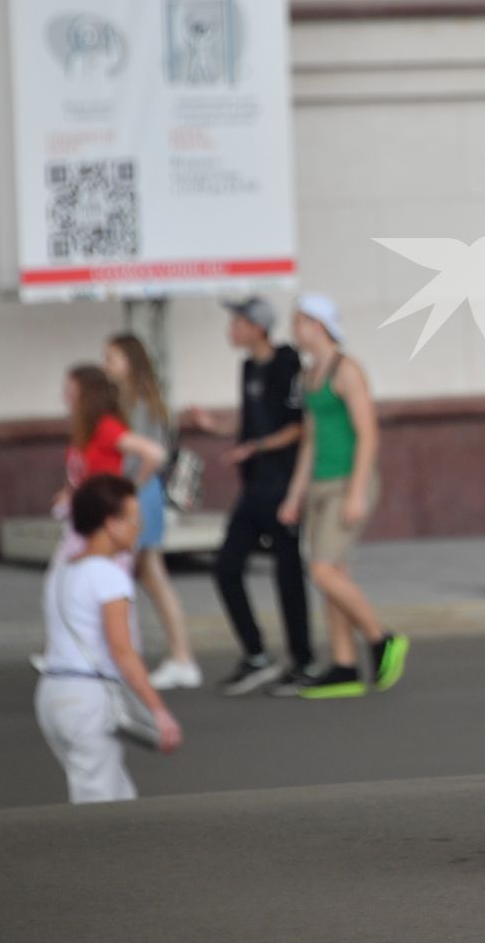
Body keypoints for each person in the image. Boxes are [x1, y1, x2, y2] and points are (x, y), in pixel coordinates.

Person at [180, 299, 315, 697]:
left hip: (282, 484)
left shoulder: (286, 365)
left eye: (237, 322)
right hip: (255, 487)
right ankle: (256, 653)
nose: (230, 330)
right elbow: (253, 423)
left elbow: (297, 428)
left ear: (258, 327)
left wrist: (254, 447)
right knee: (226, 565)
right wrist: (217, 426)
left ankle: (303, 660)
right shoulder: (248, 368)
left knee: (288, 573)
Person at [278, 293, 408, 699]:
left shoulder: (346, 370)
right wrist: (294, 495)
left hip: (347, 483)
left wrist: (355, 493)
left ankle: (381, 638)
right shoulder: (309, 375)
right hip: (319, 483)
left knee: (322, 570)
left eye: (299, 322)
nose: (294, 330)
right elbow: (310, 441)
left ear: (318, 326)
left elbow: (368, 433)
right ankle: (344, 666)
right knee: (333, 573)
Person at [34, 473, 183, 804]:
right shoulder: (109, 575)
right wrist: (157, 710)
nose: (138, 528)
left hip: (51, 693)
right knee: (100, 806)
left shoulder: (63, 570)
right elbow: (122, 650)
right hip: (86, 697)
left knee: (115, 794)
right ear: (110, 524)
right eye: (132, 519)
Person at [104, 333, 201, 691]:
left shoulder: (138, 403)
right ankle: (179, 658)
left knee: (125, 577)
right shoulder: (142, 399)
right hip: (145, 495)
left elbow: (144, 456)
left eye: (112, 358)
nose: (107, 365)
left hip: (138, 497)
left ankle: (132, 659)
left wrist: (126, 491)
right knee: (150, 577)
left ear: (130, 361)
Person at [55, 363, 167, 575]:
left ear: (88, 395)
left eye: (71, 391)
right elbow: (81, 473)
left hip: (105, 522)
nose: (65, 396)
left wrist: (130, 488)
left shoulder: (105, 427)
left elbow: (154, 453)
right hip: (86, 519)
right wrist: (70, 493)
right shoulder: (83, 430)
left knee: (101, 580)